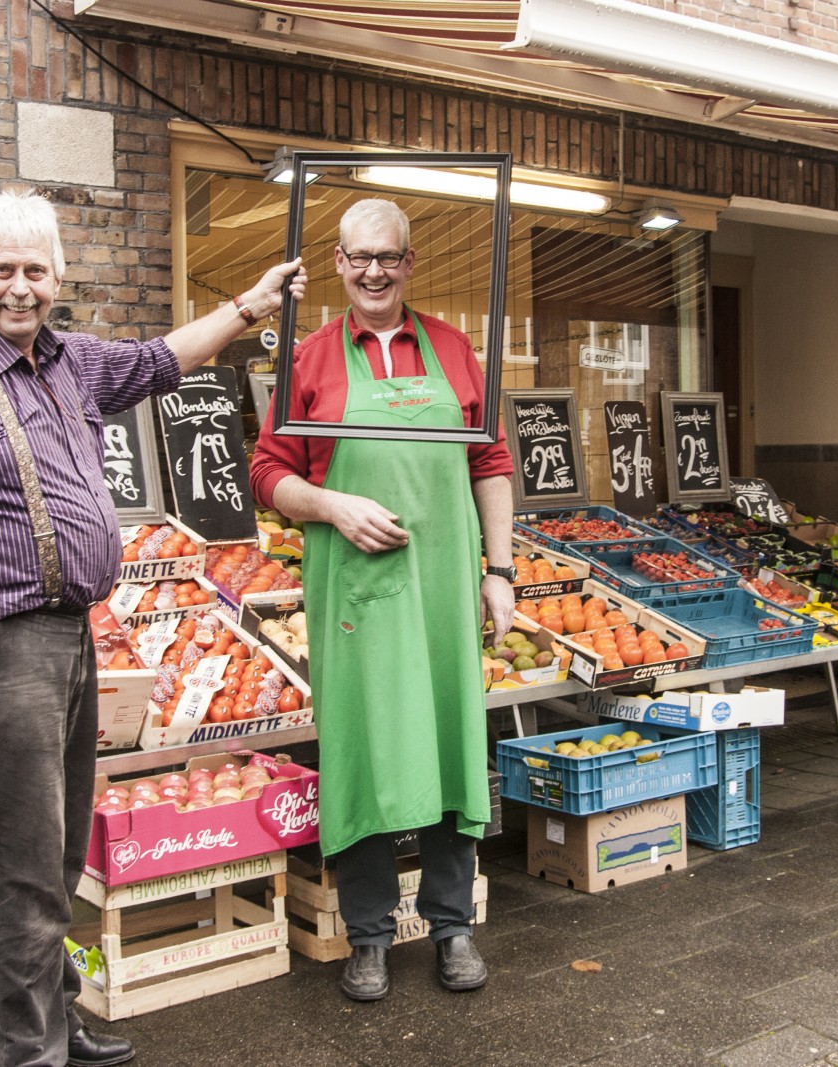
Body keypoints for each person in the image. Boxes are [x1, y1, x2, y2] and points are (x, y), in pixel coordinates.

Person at [0, 188, 305, 1067]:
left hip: (69, 637)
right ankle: (23, 1052)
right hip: (2, 646)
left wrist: (248, 307)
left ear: (59, 276)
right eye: (2, 271)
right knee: (22, 866)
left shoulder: (69, 363)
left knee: (61, 850)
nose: (19, 288)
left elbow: (158, 359)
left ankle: (54, 1020)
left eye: (35, 270)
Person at [249, 198, 514, 1001]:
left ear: (408, 263)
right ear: (337, 263)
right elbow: (266, 473)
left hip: (441, 584)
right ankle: (366, 936)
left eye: (388, 258)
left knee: (447, 743)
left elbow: (491, 461)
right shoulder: (313, 358)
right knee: (362, 754)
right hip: (356, 590)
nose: (373, 271)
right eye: (359, 257)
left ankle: (451, 926)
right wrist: (333, 506)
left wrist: (497, 570)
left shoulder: (456, 349)